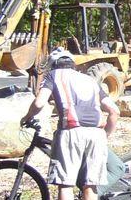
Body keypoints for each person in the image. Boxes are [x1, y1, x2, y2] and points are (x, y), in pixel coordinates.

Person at [20, 48, 119, 200]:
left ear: (53, 65)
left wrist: (27, 117)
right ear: (73, 64)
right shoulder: (89, 80)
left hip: (71, 132)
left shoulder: (53, 75)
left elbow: (39, 103)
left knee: (65, 185)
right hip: (96, 134)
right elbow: (114, 110)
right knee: (90, 186)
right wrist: (105, 135)